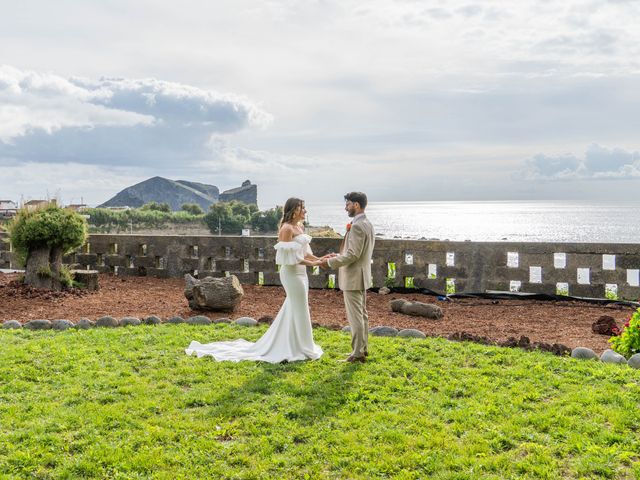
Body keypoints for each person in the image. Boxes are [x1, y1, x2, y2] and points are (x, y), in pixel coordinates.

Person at [185, 197, 325, 363]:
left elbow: (304, 252)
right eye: (302, 208)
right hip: (291, 274)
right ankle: (296, 346)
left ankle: (297, 344)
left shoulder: (299, 227)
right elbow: (290, 258)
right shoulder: (286, 229)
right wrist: (314, 263)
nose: (305, 211)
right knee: (298, 307)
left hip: (302, 274)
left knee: (297, 308)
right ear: (294, 210)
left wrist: (320, 259)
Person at [320, 192, 375, 363]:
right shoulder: (367, 223)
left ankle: (357, 354)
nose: (346, 207)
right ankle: (362, 349)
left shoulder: (358, 226)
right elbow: (355, 252)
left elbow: (353, 255)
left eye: (348, 204)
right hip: (361, 275)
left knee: (355, 316)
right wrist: (338, 254)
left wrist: (330, 263)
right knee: (362, 315)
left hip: (353, 277)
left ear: (356, 205)